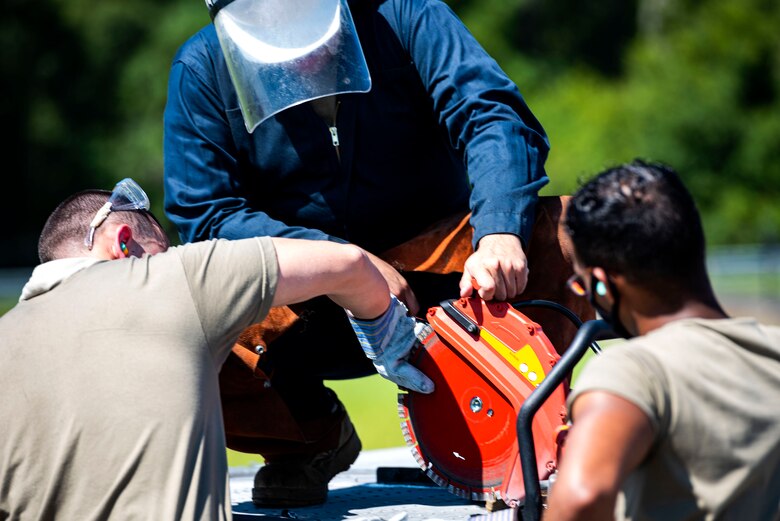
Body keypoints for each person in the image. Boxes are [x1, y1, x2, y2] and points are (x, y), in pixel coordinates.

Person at [162, 0, 566, 508]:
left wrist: (499, 234)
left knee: (563, 232)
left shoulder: (406, 16)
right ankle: (307, 438)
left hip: (447, 279)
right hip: (303, 301)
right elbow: (207, 214)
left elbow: (490, 113)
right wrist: (340, 263)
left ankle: (540, 431)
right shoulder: (200, 67)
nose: (299, 54)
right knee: (179, 312)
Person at [0, 178, 429, 519]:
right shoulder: (168, 278)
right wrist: (389, 338)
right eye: (162, 249)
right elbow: (348, 265)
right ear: (125, 242)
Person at [545, 161, 780, 520]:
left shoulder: (635, 370)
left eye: (581, 284)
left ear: (604, 282)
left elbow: (582, 497)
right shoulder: (773, 349)